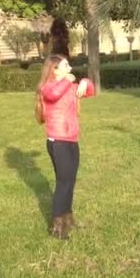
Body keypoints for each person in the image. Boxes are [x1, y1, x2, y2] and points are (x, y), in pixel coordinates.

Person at [35, 55, 95, 239]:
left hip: (72, 140)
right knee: (63, 183)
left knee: (71, 181)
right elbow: (53, 95)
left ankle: (68, 217)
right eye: (65, 65)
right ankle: (57, 225)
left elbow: (90, 91)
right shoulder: (47, 88)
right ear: (54, 69)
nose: (70, 68)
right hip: (57, 141)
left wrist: (85, 82)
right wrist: (67, 81)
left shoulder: (70, 87)